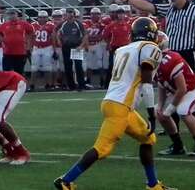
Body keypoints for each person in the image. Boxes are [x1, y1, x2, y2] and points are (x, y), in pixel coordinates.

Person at [54, 18, 172, 190]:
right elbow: (146, 84)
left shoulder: (123, 49)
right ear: (151, 34)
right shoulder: (149, 48)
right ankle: (65, 180)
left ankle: (153, 185)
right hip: (120, 106)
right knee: (102, 149)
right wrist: (151, 112)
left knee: (147, 138)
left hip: (116, 102)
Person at [129, 0, 195, 132]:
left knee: (193, 87)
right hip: (171, 53)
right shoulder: (169, 8)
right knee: (170, 91)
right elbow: (149, 7)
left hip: (187, 53)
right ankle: (172, 126)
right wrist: (130, 0)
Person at [154, 33, 195, 156]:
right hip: (183, 91)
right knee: (157, 111)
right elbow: (161, 86)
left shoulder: (171, 59)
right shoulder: (155, 61)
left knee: (183, 110)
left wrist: (169, 110)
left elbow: (182, 89)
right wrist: (160, 106)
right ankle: (178, 146)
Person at [56, 8, 88, 91]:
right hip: (66, 47)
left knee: (78, 66)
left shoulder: (78, 24)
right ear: (66, 14)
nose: (69, 14)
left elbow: (85, 35)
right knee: (68, 66)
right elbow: (56, 32)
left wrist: (81, 46)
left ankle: (81, 85)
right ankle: (71, 86)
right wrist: (59, 40)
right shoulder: (63, 24)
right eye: (68, 13)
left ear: (74, 14)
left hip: (76, 46)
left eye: (71, 13)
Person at [0, 11, 34, 75]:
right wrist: (2, 39)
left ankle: (19, 84)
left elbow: (31, 31)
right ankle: (9, 84)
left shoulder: (23, 24)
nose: (12, 16)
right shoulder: (5, 25)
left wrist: (28, 42)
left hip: (20, 52)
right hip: (8, 52)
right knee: (7, 71)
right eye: (10, 14)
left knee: (19, 71)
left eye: (13, 14)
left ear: (17, 15)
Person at [30, 11, 56, 91]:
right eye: (41, 17)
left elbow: (53, 38)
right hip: (36, 47)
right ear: (38, 17)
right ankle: (32, 85)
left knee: (47, 67)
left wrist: (54, 50)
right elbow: (31, 37)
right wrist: (30, 48)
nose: (42, 19)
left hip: (47, 48)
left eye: (44, 17)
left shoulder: (51, 25)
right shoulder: (33, 25)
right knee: (34, 67)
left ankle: (48, 84)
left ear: (47, 18)